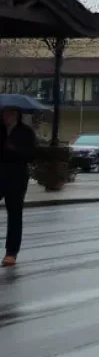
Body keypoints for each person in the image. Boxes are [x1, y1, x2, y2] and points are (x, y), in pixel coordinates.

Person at [0, 106, 37, 266]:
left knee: (14, 214)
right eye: (4, 113)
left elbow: (31, 155)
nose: (6, 116)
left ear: (16, 115)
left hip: (17, 177)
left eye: (10, 113)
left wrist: (14, 149)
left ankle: (11, 253)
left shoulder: (26, 132)